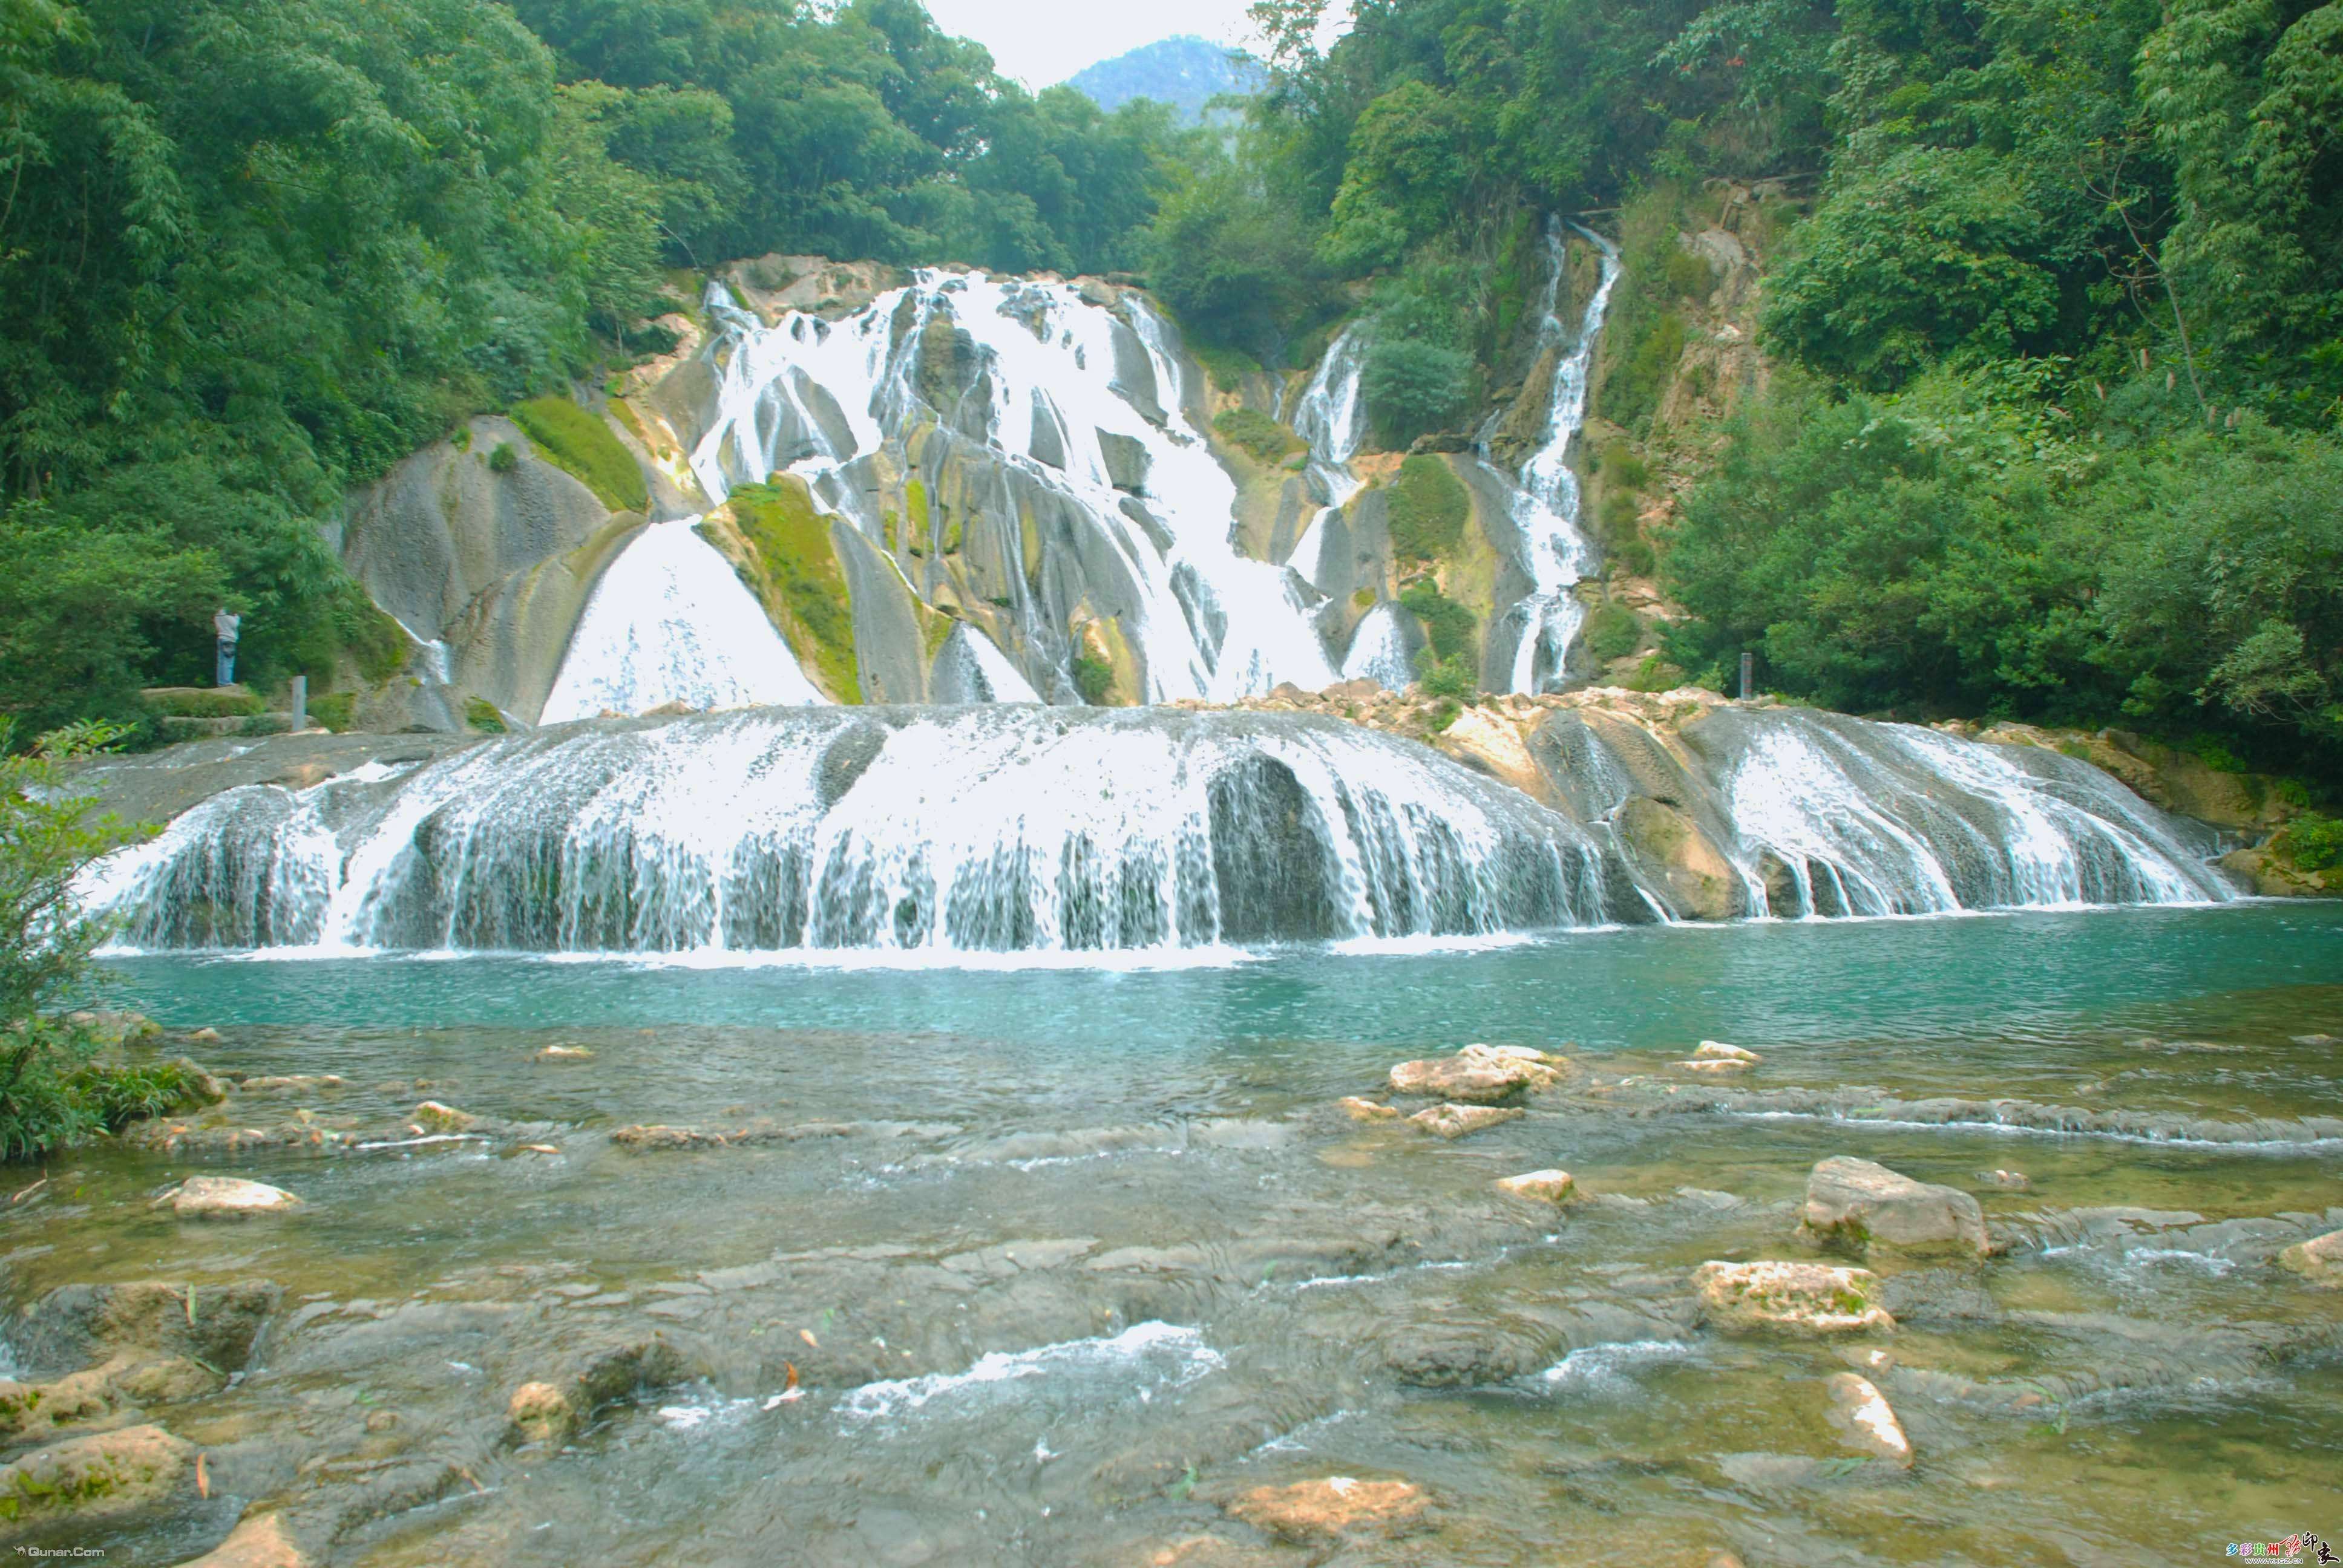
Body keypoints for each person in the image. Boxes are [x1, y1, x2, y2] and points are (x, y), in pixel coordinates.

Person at [214, 609, 241, 687]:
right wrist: (237, 617)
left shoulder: (217, 615)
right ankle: (227, 681)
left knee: (221, 662)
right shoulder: (226, 615)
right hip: (229, 639)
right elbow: (235, 624)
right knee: (228, 661)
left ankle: (221, 682)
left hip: (220, 638)